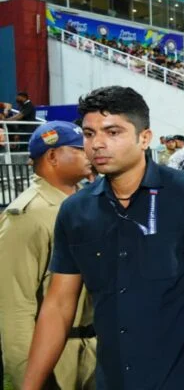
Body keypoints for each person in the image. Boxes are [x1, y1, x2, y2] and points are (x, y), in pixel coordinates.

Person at [22, 86, 184, 390]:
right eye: (89, 134)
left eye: (113, 132)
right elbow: (58, 305)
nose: (97, 144)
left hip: (182, 378)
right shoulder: (75, 211)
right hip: (112, 378)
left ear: (144, 138)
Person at [0, 121, 96, 389]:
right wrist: (29, 376)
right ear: (53, 156)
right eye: (79, 149)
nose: (89, 152)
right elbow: (15, 307)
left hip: (95, 350)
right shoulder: (28, 216)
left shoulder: (87, 202)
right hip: (58, 358)